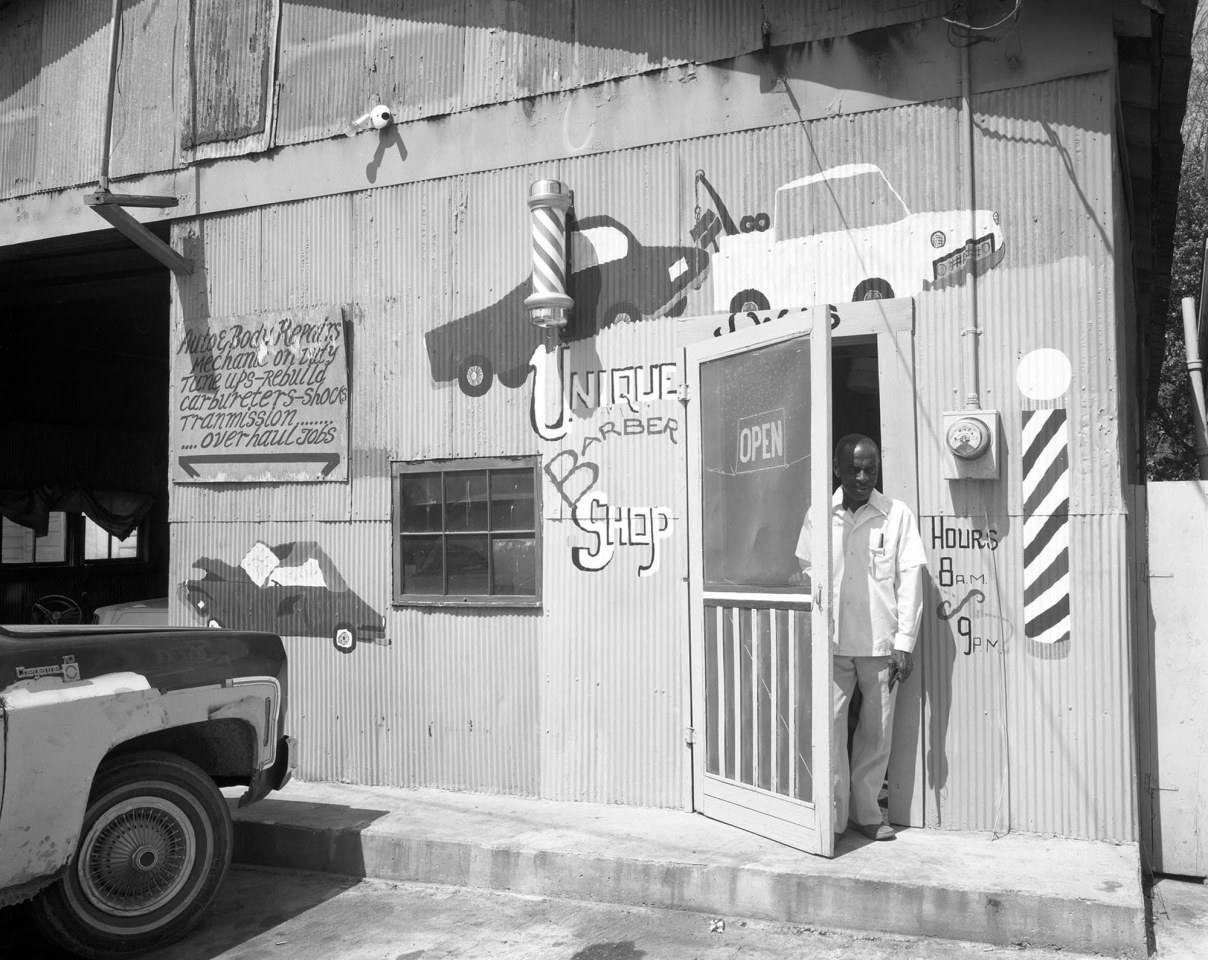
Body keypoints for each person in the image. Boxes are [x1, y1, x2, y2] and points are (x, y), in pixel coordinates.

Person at [792, 434, 926, 842]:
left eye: (870, 468)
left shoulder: (896, 514)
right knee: (830, 730)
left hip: (880, 644)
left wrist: (904, 643)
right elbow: (806, 568)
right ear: (837, 469)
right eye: (854, 468)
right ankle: (831, 817)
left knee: (876, 730)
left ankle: (867, 812)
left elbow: (910, 579)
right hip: (832, 643)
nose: (863, 476)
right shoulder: (821, 511)